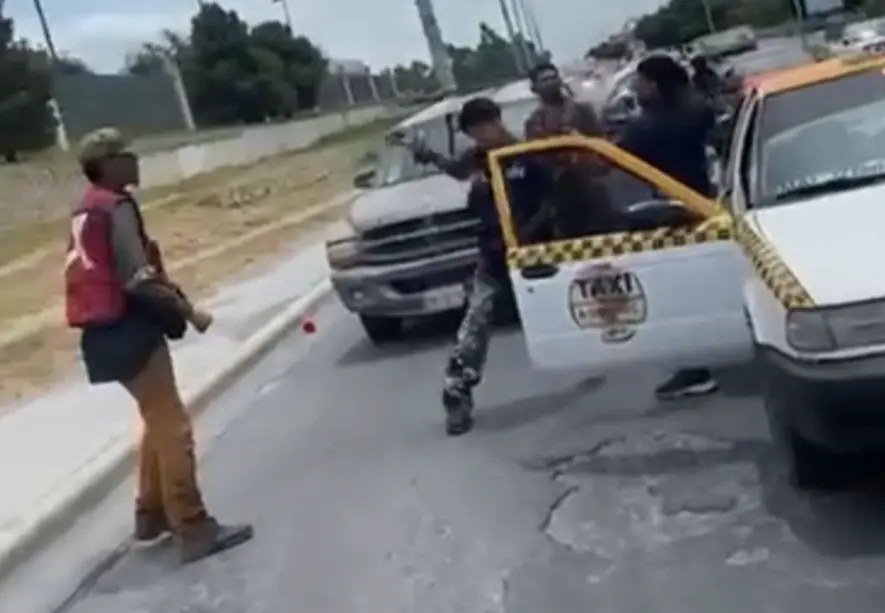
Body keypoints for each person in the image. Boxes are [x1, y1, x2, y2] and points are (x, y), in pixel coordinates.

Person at [64, 127, 254, 563]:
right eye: (128, 155)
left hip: (102, 331)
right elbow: (138, 278)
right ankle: (194, 526)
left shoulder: (86, 207)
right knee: (173, 425)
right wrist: (189, 312)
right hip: (129, 326)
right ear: (109, 164)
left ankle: (150, 517)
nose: (136, 161)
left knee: (156, 416)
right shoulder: (116, 207)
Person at [441, 98, 554, 436]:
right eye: (474, 131)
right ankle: (457, 397)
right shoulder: (477, 162)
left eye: (484, 127)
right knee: (474, 326)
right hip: (492, 257)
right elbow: (456, 170)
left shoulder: (527, 156)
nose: (482, 135)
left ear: (497, 121)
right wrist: (427, 154)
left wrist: (524, 235)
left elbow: (551, 201)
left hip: (535, 253)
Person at [618, 55, 720, 400]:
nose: (635, 88)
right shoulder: (700, 110)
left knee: (679, 297)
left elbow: (612, 163)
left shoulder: (646, 126)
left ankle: (696, 369)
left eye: (640, 82)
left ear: (656, 85)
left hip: (671, 217)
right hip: (711, 208)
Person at [523, 62, 622, 238]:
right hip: (561, 196)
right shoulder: (534, 123)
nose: (552, 82)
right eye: (545, 80)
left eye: (554, 77)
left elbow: (602, 145)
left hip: (593, 188)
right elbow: (536, 162)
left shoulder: (582, 110)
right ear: (534, 88)